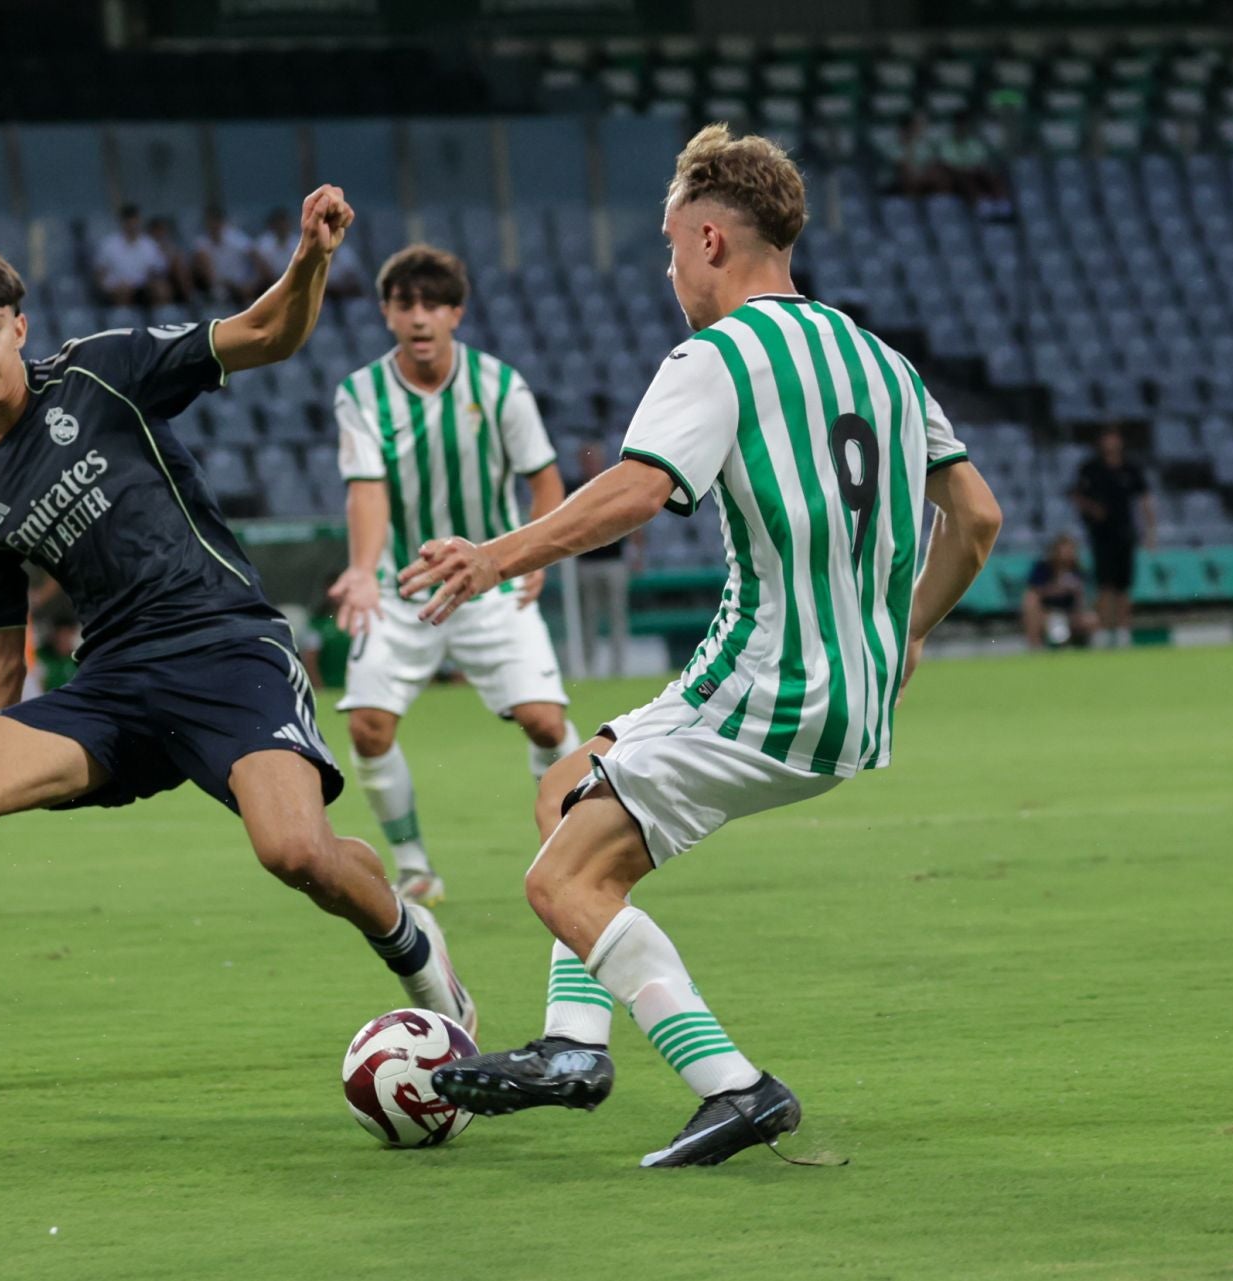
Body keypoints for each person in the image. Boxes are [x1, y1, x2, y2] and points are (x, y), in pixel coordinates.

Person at [0, 185, 476, 1075]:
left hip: (228, 648)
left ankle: (410, 939)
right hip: (115, 687)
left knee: (295, 851)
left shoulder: (101, 370)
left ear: (20, 328)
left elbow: (267, 335)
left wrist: (310, 257)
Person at [402, 124, 1003, 1167]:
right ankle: (574, 1045)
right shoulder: (885, 361)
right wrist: (903, 633)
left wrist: (499, 556)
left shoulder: (718, 355)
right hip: (852, 696)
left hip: (766, 681)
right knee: (567, 793)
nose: (668, 267)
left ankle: (732, 1084)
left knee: (559, 884)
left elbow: (639, 489)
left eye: (672, 244)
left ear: (713, 241)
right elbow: (980, 520)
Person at [329, 242, 581, 907]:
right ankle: (413, 866)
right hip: (398, 587)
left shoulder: (501, 386)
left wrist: (534, 557)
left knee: (546, 723)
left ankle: (574, 847)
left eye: (433, 305)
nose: (419, 318)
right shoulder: (360, 394)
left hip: (490, 580)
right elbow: (368, 491)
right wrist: (360, 570)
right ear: (385, 312)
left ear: (456, 313)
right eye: (405, 304)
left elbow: (546, 480)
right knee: (367, 728)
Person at [1071, 426, 1153, 647]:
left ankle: (1123, 631)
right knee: (1105, 586)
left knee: (1124, 587)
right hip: (1101, 535)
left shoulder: (1130, 468)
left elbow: (1144, 499)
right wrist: (1092, 509)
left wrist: (1150, 531)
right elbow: (1076, 494)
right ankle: (1104, 631)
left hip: (1125, 534)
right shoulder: (1091, 468)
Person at [573, 443, 645, 679]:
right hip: (587, 562)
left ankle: (618, 668)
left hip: (613, 560)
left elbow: (634, 516)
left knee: (617, 616)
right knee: (588, 618)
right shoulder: (575, 489)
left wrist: (635, 552)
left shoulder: (614, 486)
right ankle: (588, 669)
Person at [1021, 534, 1095, 649]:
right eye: (1064, 550)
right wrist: (1056, 589)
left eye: (1070, 550)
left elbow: (1083, 600)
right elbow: (1034, 592)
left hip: (1070, 613)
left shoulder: (1078, 569)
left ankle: (1083, 646)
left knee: (1090, 619)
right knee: (1030, 601)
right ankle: (1035, 646)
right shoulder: (1043, 568)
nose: (1067, 554)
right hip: (1047, 612)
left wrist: (1076, 593)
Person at [93, 204, 170, 307]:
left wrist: (152, 280)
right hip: (118, 287)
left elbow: (158, 269)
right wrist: (108, 287)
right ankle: (125, 320)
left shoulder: (148, 244)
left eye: (135, 221)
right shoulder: (109, 244)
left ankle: (162, 319)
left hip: (143, 286)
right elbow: (100, 273)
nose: (132, 225)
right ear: (123, 222)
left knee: (161, 289)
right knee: (123, 291)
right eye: (129, 222)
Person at [193, 205, 261, 305]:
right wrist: (224, 283)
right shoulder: (201, 243)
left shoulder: (236, 238)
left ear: (222, 222)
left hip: (241, 283)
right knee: (219, 293)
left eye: (216, 221)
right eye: (210, 222)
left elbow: (256, 257)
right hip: (220, 284)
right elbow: (208, 273)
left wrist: (254, 282)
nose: (213, 225)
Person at [147, 215, 196, 304]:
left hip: (169, 276)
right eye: (158, 230)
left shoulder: (168, 246)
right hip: (153, 277)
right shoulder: (147, 245)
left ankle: (191, 297)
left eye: (162, 230)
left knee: (179, 264)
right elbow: (150, 268)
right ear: (152, 232)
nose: (160, 233)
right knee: (161, 287)